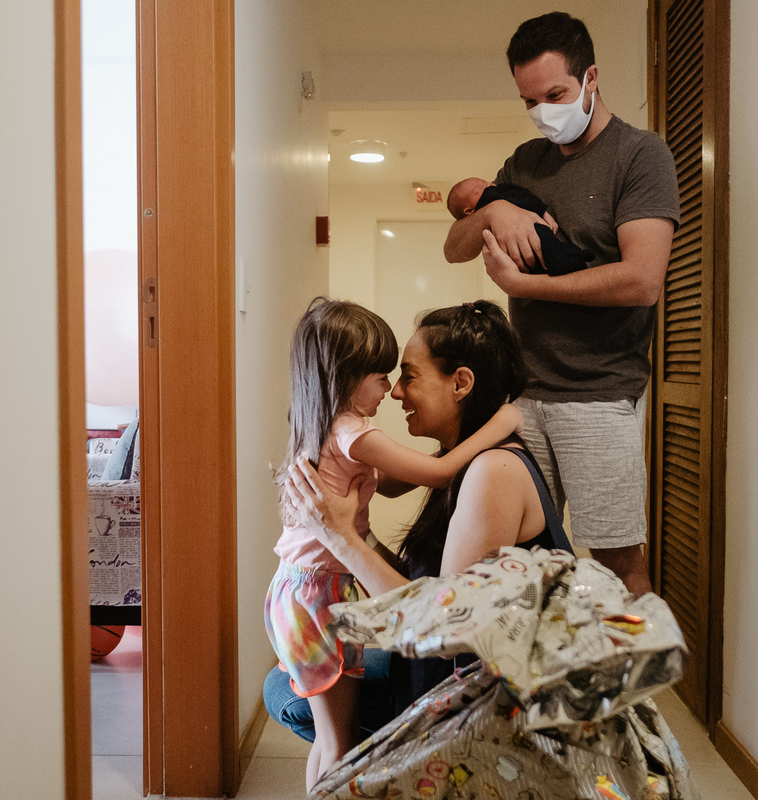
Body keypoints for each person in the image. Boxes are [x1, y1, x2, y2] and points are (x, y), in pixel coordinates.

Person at [443, 12, 681, 596]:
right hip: (523, 398)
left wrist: (525, 288)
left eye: (555, 95)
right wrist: (495, 210)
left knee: (618, 566)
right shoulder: (525, 163)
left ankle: (627, 689)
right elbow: (454, 247)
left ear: (590, 78)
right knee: (518, 564)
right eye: (530, 101)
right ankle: (537, 688)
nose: (545, 111)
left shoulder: (640, 156)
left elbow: (641, 281)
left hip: (599, 395)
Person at [264, 300, 570, 743]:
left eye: (409, 376)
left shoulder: (492, 472)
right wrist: (343, 529)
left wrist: (339, 536)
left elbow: (445, 625)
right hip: (440, 665)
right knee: (288, 683)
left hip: (480, 703)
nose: (394, 392)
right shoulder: (467, 460)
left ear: (461, 383)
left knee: (288, 693)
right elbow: (421, 578)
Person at [447, 176, 593, 275]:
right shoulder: (492, 196)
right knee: (546, 249)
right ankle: (567, 259)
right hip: (531, 249)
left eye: (485, 182)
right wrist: (493, 210)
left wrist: (517, 284)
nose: (487, 185)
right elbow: (451, 252)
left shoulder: (497, 191)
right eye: (479, 190)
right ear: (469, 211)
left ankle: (570, 256)